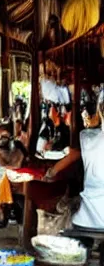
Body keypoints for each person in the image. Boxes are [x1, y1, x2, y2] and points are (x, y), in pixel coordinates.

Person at [45, 91, 104, 229]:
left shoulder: (88, 140)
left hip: (88, 219)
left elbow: (72, 155)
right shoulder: (88, 139)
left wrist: (50, 173)